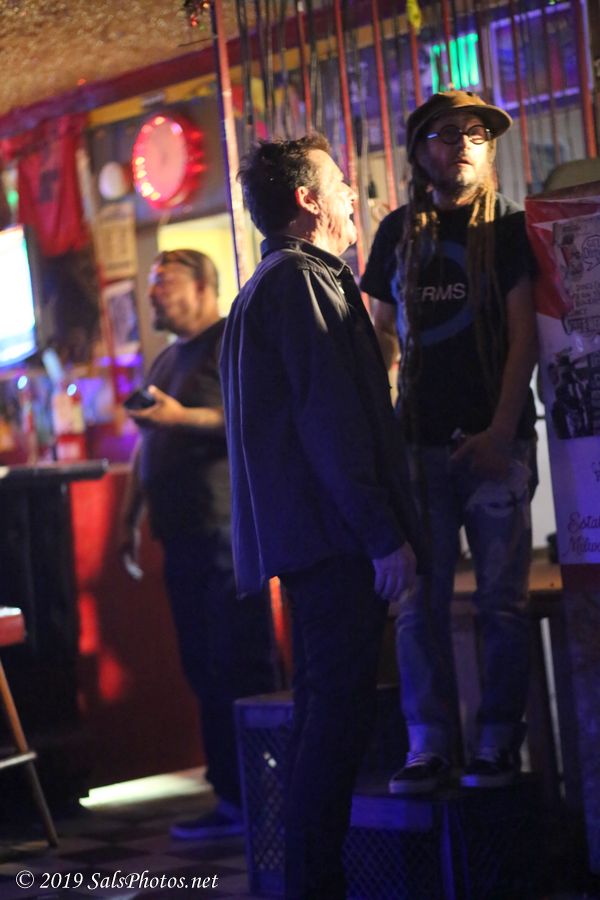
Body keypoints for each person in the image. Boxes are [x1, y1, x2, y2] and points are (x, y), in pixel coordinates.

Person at [220, 134, 420, 900]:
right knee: (334, 726)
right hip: (335, 544)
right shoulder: (302, 282)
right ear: (307, 200)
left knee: (321, 719)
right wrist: (382, 534)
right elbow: (330, 424)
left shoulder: (269, 285)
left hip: (314, 543)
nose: (351, 197)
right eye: (339, 183)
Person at [361, 90, 539, 794]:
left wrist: (501, 431)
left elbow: (524, 336)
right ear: (419, 151)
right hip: (418, 446)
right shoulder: (397, 231)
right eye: (446, 133)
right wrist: (382, 425)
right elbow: (379, 335)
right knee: (417, 605)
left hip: (498, 444)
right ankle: (428, 744)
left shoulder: (511, 228)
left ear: (488, 150)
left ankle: (497, 743)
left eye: (476, 133)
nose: (463, 143)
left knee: (502, 603)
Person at [119, 249, 277, 839]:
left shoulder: (230, 338)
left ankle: (268, 798)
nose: (153, 293)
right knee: (203, 668)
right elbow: (146, 443)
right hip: (181, 536)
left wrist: (179, 417)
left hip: (225, 531)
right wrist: (129, 517)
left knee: (241, 663)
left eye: (165, 282)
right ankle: (231, 799)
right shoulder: (166, 358)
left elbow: (250, 416)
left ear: (204, 286)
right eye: (152, 282)